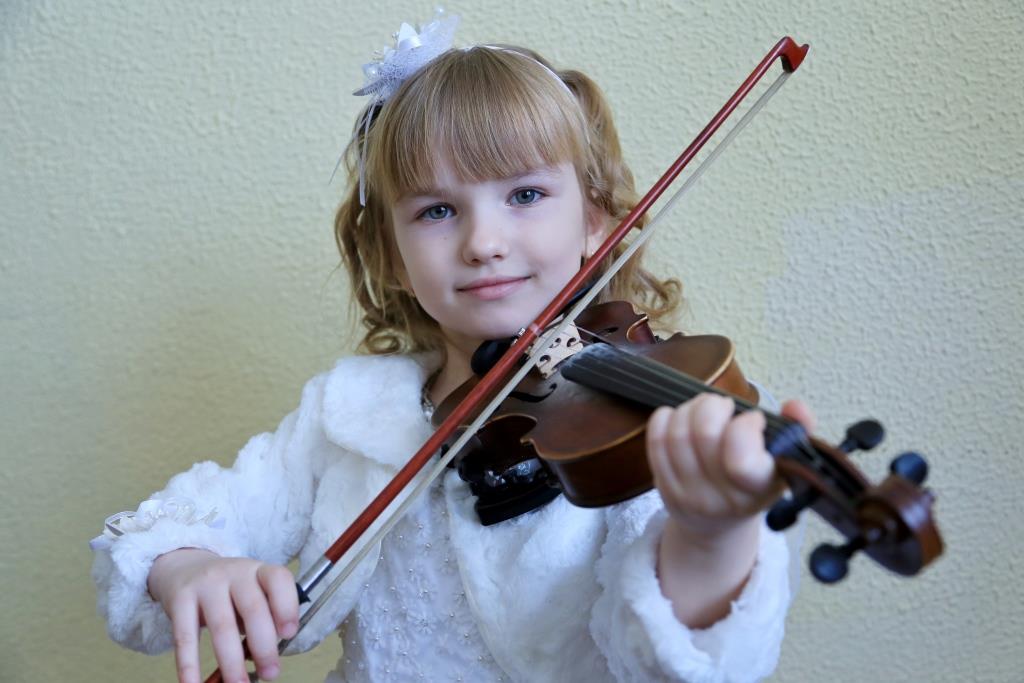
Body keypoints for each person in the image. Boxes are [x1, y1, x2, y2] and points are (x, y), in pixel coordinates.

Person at [91, 12, 812, 683]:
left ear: (595, 222)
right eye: (438, 210)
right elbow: (176, 524)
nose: (484, 242)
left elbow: (677, 663)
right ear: (393, 257)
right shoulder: (348, 413)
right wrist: (187, 566)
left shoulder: (647, 425)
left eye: (525, 195)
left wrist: (710, 540)